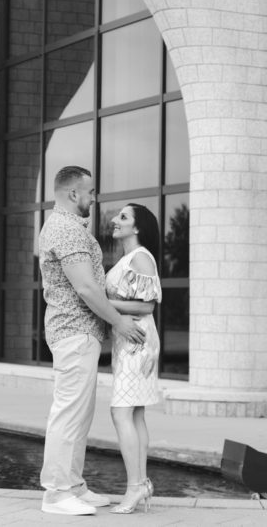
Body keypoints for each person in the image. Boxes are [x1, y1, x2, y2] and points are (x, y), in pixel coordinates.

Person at [38, 166, 146, 516]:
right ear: (73, 194)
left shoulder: (68, 227)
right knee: (69, 413)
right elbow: (86, 287)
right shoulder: (66, 230)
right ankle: (56, 494)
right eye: (89, 192)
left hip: (79, 333)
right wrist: (119, 323)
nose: (93, 198)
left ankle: (74, 486)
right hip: (74, 332)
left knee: (79, 414)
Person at [105, 203, 163, 514]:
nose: (116, 220)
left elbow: (147, 306)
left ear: (137, 227)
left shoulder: (141, 257)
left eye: (123, 217)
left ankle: (135, 487)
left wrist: (102, 301)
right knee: (135, 414)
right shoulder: (128, 258)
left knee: (120, 413)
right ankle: (141, 483)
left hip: (137, 341)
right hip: (128, 339)